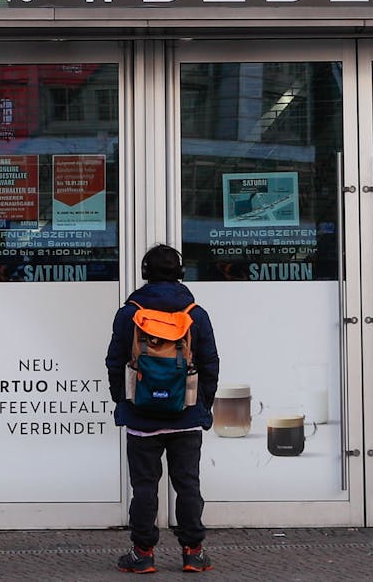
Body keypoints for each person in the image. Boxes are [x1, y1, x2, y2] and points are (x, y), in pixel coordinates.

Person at [106, 245, 220, 574]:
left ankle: (143, 554)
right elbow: (210, 363)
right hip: (185, 417)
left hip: (142, 418)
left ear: (145, 272)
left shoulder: (130, 313)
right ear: (180, 273)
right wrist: (203, 405)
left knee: (144, 486)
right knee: (187, 485)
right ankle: (193, 553)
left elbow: (115, 361)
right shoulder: (195, 314)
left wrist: (122, 400)